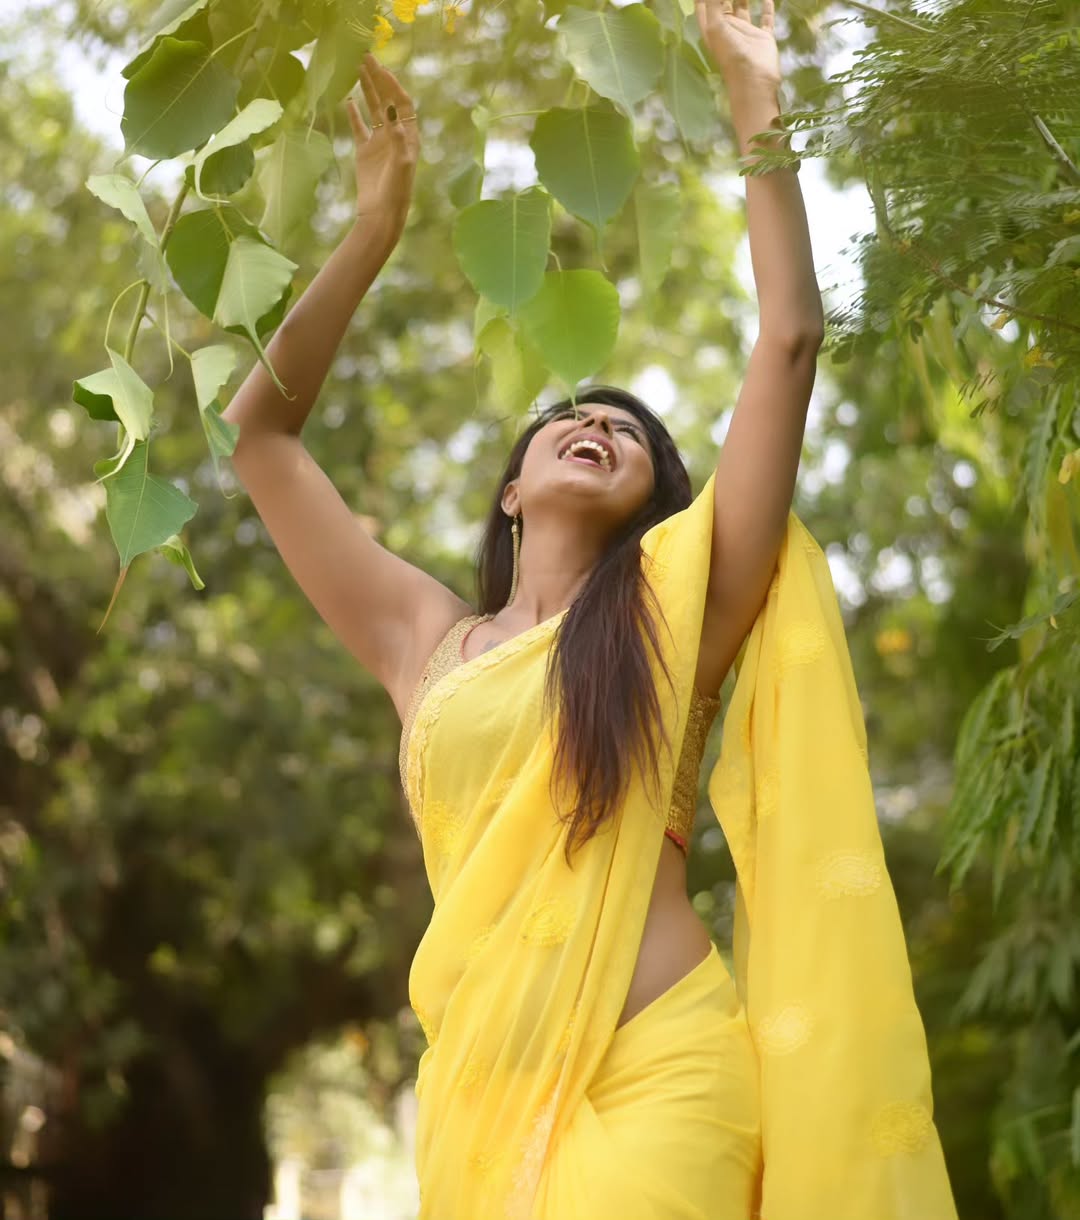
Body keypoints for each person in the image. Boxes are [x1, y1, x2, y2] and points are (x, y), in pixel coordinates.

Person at [224, 3, 958, 1217]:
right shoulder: (426, 641)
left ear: (655, 504)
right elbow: (259, 437)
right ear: (512, 490)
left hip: (665, 1075)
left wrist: (753, 92)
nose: (601, 423)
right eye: (574, 415)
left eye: (633, 432)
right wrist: (373, 228)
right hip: (482, 1097)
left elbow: (788, 338)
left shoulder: (676, 611)